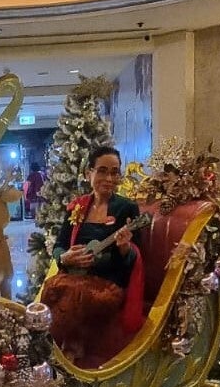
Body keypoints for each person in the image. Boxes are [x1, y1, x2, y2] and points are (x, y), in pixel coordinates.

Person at [42, 145, 145, 367]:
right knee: (52, 287)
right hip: (75, 276)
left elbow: (134, 258)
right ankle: (56, 348)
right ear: (89, 173)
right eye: (102, 171)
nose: (109, 178)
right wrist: (65, 258)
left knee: (76, 293)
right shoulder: (77, 207)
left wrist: (124, 248)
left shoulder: (127, 208)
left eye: (114, 172)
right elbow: (59, 246)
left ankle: (51, 352)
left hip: (108, 285)